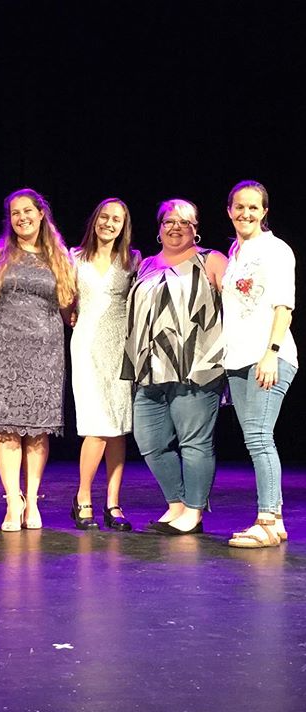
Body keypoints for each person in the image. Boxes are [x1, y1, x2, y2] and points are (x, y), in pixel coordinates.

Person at [122, 199, 227, 535]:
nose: (176, 226)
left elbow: (239, 307)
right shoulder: (147, 265)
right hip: (149, 368)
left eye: (185, 222)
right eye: (169, 221)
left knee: (194, 442)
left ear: (196, 229)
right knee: (149, 440)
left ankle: (194, 511)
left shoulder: (210, 259)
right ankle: (177, 503)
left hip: (196, 367)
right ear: (159, 227)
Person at [0, 188, 76, 531]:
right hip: (2, 347)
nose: (22, 218)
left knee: (36, 430)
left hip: (45, 351)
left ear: (41, 213)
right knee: (6, 429)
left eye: (28, 211)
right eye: (15, 213)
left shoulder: (60, 257)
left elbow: (69, 309)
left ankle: (32, 500)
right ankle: (12, 501)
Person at [222, 181, 298, 548]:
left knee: (259, 439)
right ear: (230, 210)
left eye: (254, 207)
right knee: (256, 439)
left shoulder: (276, 250)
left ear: (264, 211)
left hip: (267, 357)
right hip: (237, 359)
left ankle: (266, 521)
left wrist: (272, 351)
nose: (246, 213)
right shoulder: (236, 251)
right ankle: (277, 520)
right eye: (239, 207)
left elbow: (284, 305)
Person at [69, 198, 140, 531]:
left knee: (117, 428)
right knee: (97, 425)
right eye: (105, 217)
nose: (110, 223)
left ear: (124, 226)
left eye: (117, 219)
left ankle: (113, 503)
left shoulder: (132, 260)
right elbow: (64, 300)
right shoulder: (74, 258)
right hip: (85, 345)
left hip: (119, 347)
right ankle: (83, 497)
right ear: (95, 220)